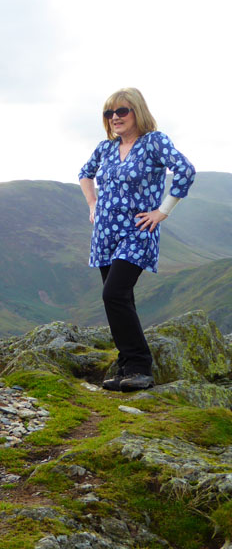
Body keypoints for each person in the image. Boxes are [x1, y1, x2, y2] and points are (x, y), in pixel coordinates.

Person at [78, 88, 195, 392]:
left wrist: (162, 211)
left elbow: (185, 170)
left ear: (137, 111)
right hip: (105, 233)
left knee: (113, 294)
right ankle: (127, 367)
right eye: (109, 113)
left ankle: (140, 365)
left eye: (122, 111)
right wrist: (93, 204)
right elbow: (84, 174)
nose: (114, 117)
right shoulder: (105, 148)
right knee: (120, 297)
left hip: (137, 230)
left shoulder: (154, 142)